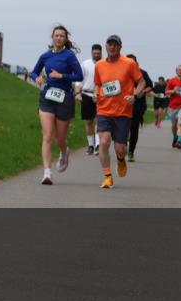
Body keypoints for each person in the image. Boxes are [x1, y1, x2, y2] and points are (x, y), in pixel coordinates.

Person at [30, 25, 84, 185]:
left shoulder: (69, 56)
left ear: (65, 39)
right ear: (52, 38)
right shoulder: (45, 56)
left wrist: (62, 75)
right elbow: (34, 72)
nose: (59, 38)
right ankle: (47, 173)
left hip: (65, 98)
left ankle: (64, 151)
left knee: (60, 138)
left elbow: (79, 75)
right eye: (56, 35)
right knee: (47, 136)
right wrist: (37, 78)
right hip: (47, 97)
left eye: (62, 36)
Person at [93, 35, 147, 189]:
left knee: (120, 149)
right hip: (103, 109)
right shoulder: (100, 65)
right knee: (103, 141)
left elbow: (142, 82)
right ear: (106, 47)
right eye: (109, 44)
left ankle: (121, 160)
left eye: (115, 45)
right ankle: (108, 176)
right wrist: (96, 94)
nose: (112, 47)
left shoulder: (129, 64)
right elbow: (97, 84)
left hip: (123, 112)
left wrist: (135, 96)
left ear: (120, 47)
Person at [76, 43, 103, 155]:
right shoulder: (85, 64)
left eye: (98, 53)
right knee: (89, 121)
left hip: (101, 96)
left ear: (101, 53)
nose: (96, 54)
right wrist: (78, 93)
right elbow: (79, 80)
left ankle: (98, 145)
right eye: (94, 52)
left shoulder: (105, 64)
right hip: (87, 94)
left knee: (99, 121)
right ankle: (90, 145)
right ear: (91, 52)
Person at [125, 54, 152, 162]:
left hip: (138, 105)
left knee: (134, 129)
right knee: (123, 129)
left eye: (133, 62)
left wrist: (142, 91)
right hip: (124, 104)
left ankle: (131, 152)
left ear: (136, 63)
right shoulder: (122, 72)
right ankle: (123, 143)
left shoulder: (142, 73)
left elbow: (150, 86)